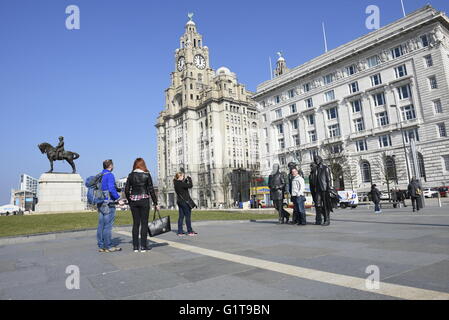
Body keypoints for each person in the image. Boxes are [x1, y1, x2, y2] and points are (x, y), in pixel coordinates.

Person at [125, 158, 159, 253]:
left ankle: (135, 246)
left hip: (134, 201)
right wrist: (155, 202)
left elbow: (126, 190)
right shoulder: (147, 175)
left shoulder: (131, 175)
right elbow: (151, 189)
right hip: (144, 200)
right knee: (144, 223)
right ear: (143, 165)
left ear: (135, 165)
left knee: (136, 223)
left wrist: (129, 199)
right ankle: (143, 246)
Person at [97, 159, 122, 253]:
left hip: (100, 202)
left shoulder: (100, 175)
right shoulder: (110, 175)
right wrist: (118, 199)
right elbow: (111, 189)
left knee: (101, 225)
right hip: (109, 203)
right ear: (110, 166)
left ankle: (101, 245)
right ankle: (108, 246)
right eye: (113, 165)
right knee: (108, 226)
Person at [309, 155, 333, 226]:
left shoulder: (325, 168)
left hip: (324, 189)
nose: (316, 161)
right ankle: (320, 218)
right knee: (318, 204)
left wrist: (329, 188)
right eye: (315, 159)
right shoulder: (315, 169)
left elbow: (329, 179)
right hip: (318, 190)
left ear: (320, 159)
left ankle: (327, 220)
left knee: (325, 205)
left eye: (317, 159)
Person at [174, 172, 198, 236]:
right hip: (185, 202)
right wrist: (189, 179)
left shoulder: (176, 183)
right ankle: (190, 231)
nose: (183, 177)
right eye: (182, 176)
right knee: (188, 216)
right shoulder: (181, 184)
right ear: (179, 177)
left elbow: (184, 186)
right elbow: (190, 185)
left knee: (181, 217)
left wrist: (185, 180)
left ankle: (180, 232)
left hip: (179, 201)